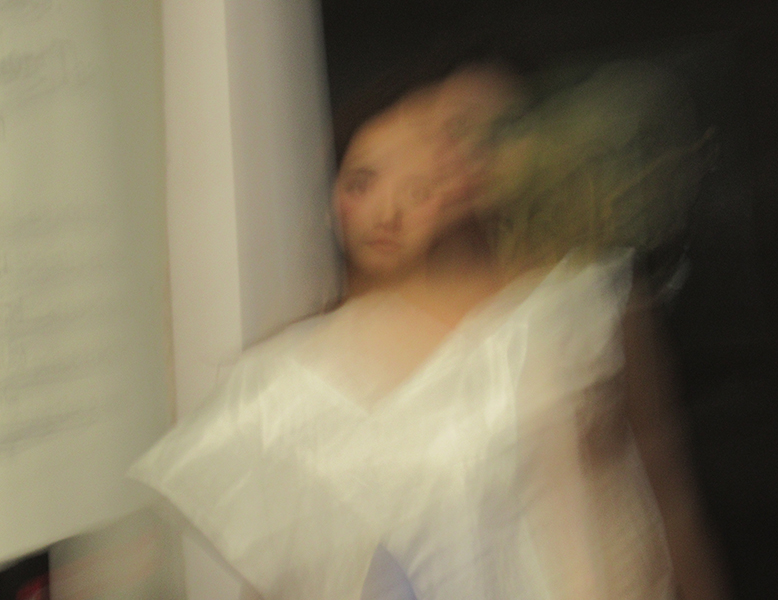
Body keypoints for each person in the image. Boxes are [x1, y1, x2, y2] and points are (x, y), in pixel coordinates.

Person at [130, 59, 728, 600]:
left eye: (418, 182)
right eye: (361, 183)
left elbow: (663, 501)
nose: (387, 211)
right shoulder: (286, 386)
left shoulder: (573, 313)